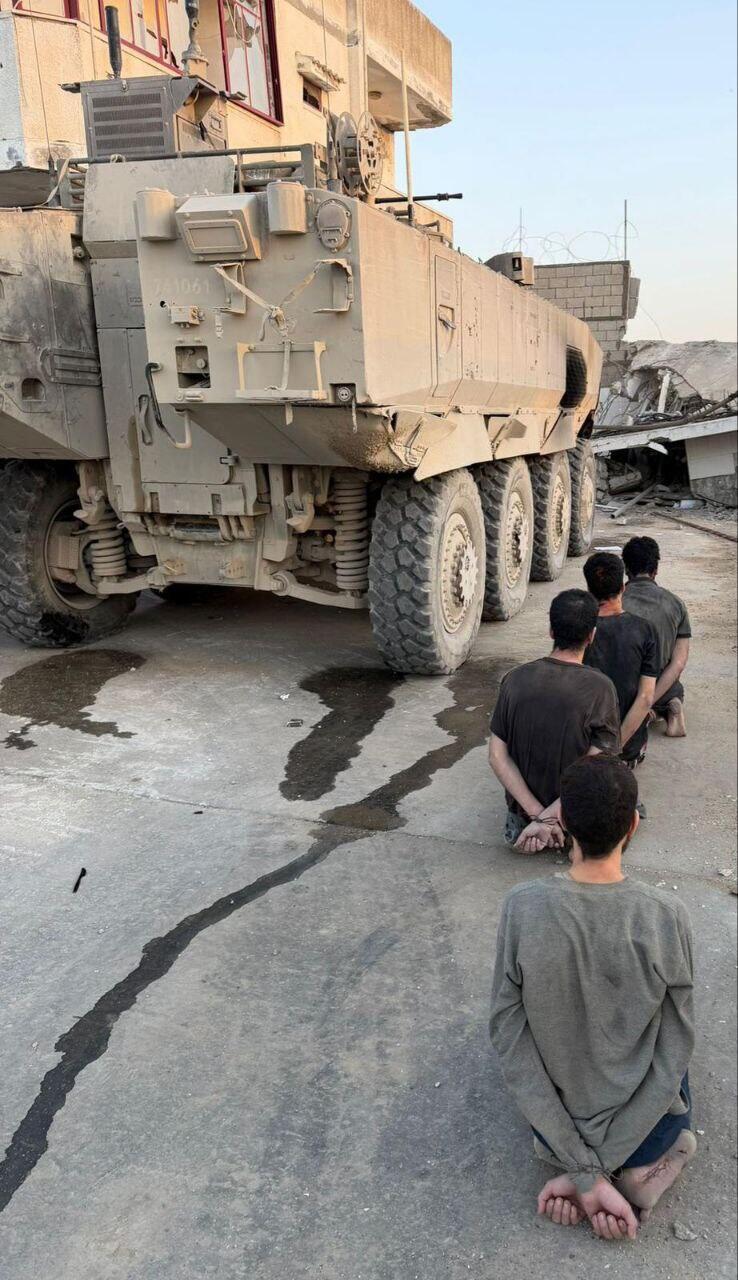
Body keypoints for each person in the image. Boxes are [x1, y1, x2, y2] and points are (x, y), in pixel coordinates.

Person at [490, 754, 696, 1241]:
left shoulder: (522, 907)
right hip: (648, 1136)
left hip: (554, 1135)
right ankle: (631, 1174)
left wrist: (581, 1170)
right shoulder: (666, 915)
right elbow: (675, 1048)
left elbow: (507, 1031)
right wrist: (597, 1171)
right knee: (678, 1053)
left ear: (562, 822)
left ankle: (592, 1177)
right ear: (634, 825)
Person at [489, 589, 620, 853]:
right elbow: (595, 765)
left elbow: (496, 757)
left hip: (523, 819)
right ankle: (566, 836)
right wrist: (552, 817)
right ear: (592, 635)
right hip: (574, 820)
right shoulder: (600, 687)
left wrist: (538, 815)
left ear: (551, 631)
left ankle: (530, 829)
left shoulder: (515, 678)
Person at [583, 552, 659, 767]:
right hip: (628, 753)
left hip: (583, 749)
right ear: (623, 587)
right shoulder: (645, 630)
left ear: (589, 589)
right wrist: (613, 750)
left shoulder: (579, 628)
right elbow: (646, 698)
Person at [622, 536, 692, 738]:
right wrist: (647, 700)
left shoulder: (612, 601)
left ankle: (643, 713)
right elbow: (679, 663)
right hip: (658, 689)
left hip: (620, 691)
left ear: (626, 569)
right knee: (675, 688)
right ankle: (664, 708)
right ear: (656, 570)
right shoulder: (676, 604)